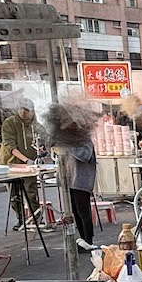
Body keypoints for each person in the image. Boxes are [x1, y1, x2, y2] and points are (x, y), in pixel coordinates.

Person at [45, 103, 99, 250]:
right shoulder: (66, 137)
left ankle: (88, 241)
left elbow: (85, 155)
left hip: (81, 180)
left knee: (83, 212)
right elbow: (49, 146)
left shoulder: (83, 137)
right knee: (75, 212)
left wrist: (67, 145)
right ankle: (82, 239)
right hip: (69, 179)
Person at [0, 98, 45, 231]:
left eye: (27, 110)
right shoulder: (10, 123)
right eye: (21, 110)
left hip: (30, 166)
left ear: (32, 111)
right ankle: (21, 219)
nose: (24, 113)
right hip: (12, 164)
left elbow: (44, 142)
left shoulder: (37, 126)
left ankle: (36, 219)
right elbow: (9, 145)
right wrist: (25, 159)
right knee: (14, 194)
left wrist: (42, 150)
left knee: (31, 192)